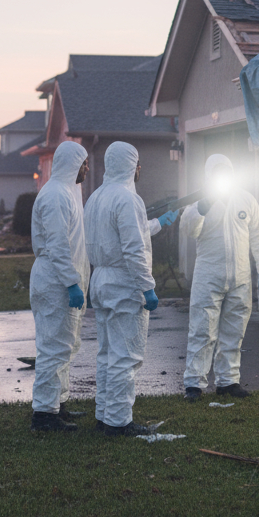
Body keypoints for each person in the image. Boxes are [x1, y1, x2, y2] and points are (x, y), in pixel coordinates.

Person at [83, 141, 160, 436]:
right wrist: (147, 287)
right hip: (124, 283)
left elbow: (118, 236)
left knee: (106, 353)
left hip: (100, 280)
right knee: (125, 356)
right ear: (132, 166)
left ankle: (105, 415)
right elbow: (133, 248)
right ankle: (119, 423)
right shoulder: (128, 199)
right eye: (138, 164)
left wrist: (157, 224)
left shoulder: (97, 197)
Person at [181, 154, 259, 401]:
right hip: (209, 275)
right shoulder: (200, 200)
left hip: (240, 276)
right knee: (202, 330)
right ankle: (194, 384)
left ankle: (228, 381)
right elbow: (188, 230)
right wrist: (201, 208)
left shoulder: (246, 199)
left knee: (234, 330)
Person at [28, 141, 91, 432]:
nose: (87, 169)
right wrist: (70, 283)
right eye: (84, 164)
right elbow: (57, 245)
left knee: (66, 345)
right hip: (54, 280)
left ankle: (58, 404)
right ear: (71, 164)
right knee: (53, 347)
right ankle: (44, 414)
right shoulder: (54, 195)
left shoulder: (69, 192)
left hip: (62, 281)